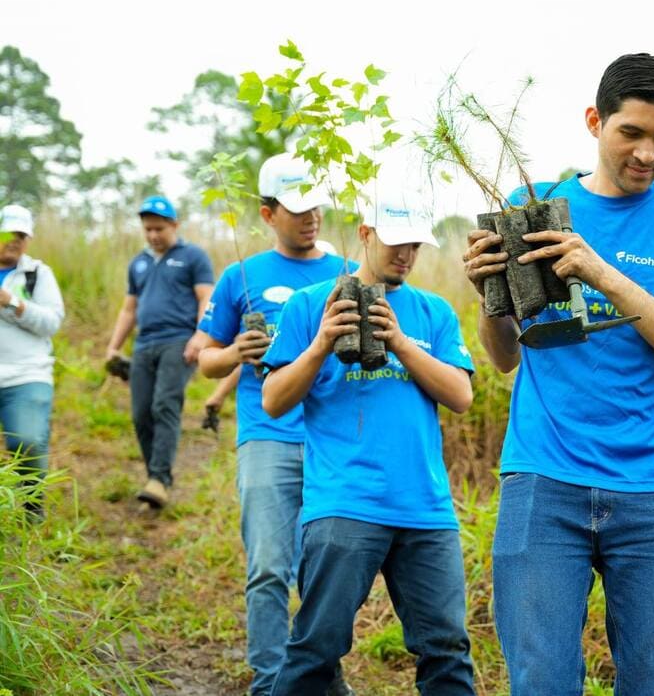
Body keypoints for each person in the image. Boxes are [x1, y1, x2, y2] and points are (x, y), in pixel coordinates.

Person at [463, 53, 654, 695]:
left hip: (653, 486)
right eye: (632, 133)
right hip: (544, 477)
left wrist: (601, 272)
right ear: (595, 121)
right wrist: (488, 297)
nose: (648, 153)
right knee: (540, 680)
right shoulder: (534, 207)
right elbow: (505, 355)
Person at [261, 198, 477, 696]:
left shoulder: (433, 311)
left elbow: (460, 396)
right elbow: (273, 400)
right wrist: (320, 345)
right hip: (345, 503)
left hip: (426, 510)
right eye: (396, 242)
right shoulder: (310, 304)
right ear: (365, 233)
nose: (406, 255)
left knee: (446, 650)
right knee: (317, 647)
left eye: (415, 245)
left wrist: (400, 342)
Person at [197, 153, 355, 696]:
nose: (310, 217)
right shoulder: (241, 275)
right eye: (296, 208)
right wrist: (234, 353)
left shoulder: (347, 272)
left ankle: (321, 678)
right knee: (268, 567)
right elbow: (204, 356)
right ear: (267, 214)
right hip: (267, 435)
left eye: (315, 206)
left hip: (332, 441)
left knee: (324, 574)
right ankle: (268, 683)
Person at [106, 195, 214, 509]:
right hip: (144, 344)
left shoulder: (193, 257)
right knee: (141, 413)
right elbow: (129, 309)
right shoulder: (138, 263)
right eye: (148, 229)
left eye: (159, 229)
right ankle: (155, 476)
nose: (153, 235)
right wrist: (113, 347)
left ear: (174, 225)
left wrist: (200, 336)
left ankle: (159, 479)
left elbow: (206, 298)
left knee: (164, 404)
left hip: (179, 341)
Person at [0, 204, 65, 518]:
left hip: (26, 374)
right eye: (8, 233)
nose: (14, 240)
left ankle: (31, 510)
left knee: (27, 441)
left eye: (21, 235)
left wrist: (13, 302)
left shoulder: (38, 274)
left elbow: (52, 322)